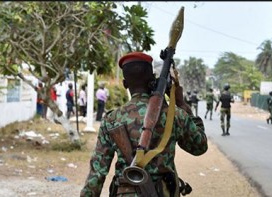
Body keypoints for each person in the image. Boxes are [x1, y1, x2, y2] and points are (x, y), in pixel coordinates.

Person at [80, 51, 208, 196]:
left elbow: (97, 173)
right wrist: (181, 103)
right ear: (153, 79)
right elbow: (199, 147)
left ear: (125, 84)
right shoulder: (174, 115)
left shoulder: (111, 119)